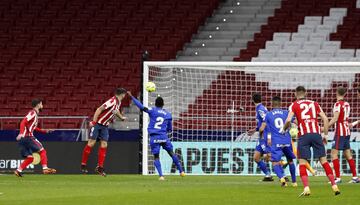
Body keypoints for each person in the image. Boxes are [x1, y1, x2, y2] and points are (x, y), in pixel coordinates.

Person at [283, 86, 340, 196]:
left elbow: (289, 120)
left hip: (304, 135)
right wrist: (326, 136)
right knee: (324, 161)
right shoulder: (315, 103)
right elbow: (325, 119)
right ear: (306, 93)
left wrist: (283, 129)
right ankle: (334, 186)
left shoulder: (294, 105)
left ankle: (307, 188)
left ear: (295, 94)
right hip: (316, 134)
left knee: (302, 162)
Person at [128, 91, 184, 180]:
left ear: (155, 104)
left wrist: (132, 97)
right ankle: (181, 171)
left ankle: (161, 176)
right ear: (163, 104)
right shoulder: (168, 114)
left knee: (156, 156)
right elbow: (170, 128)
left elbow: (142, 107)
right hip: (163, 136)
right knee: (171, 153)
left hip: (154, 137)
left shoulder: (152, 110)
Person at [81, 88, 127, 176]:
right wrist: (94, 122)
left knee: (104, 145)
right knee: (91, 143)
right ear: (122, 94)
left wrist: (121, 117)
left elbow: (115, 111)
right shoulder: (112, 101)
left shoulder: (118, 102)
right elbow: (99, 109)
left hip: (105, 126)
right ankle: (83, 164)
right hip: (98, 124)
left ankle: (100, 167)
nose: (124, 96)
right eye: (124, 94)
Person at [260, 96, 297, 187]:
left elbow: (264, 128)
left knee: (275, 162)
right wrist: (294, 132)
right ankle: (294, 182)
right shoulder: (286, 113)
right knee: (290, 160)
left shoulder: (268, 114)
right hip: (287, 140)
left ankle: (282, 179)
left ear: (272, 103)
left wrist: (265, 137)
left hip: (276, 141)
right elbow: (295, 122)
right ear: (280, 103)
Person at [14, 99, 56, 177]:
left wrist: (45, 131)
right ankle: (45, 168)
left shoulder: (35, 115)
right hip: (28, 137)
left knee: (30, 158)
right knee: (42, 151)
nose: (42, 105)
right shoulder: (32, 113)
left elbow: (34, 128)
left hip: (23, 140)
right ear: (38, 105)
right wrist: (21, 133)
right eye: (41, 104)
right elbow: (23, 121)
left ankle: (18, 171)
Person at [328, 87, 359, 183]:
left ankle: (337, 178)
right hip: (347, 131)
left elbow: (336, 118)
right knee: (348, 154)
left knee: (334, 154)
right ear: (345, 94)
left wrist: (327, 126)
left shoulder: (337, 104)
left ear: (337, 93)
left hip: (340, 132)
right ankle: (355, 177)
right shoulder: (347, 104)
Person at [247, 93, 273, 181]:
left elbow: (266, 121)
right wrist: (255, 130)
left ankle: (282, 169)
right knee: (256, 157)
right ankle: (268, 175)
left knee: (268, 156)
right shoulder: (260, 108)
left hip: (265, 136)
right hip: (262, 135)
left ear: (252, 100)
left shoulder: (261, 109)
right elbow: (262, 122)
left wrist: (266, 134)